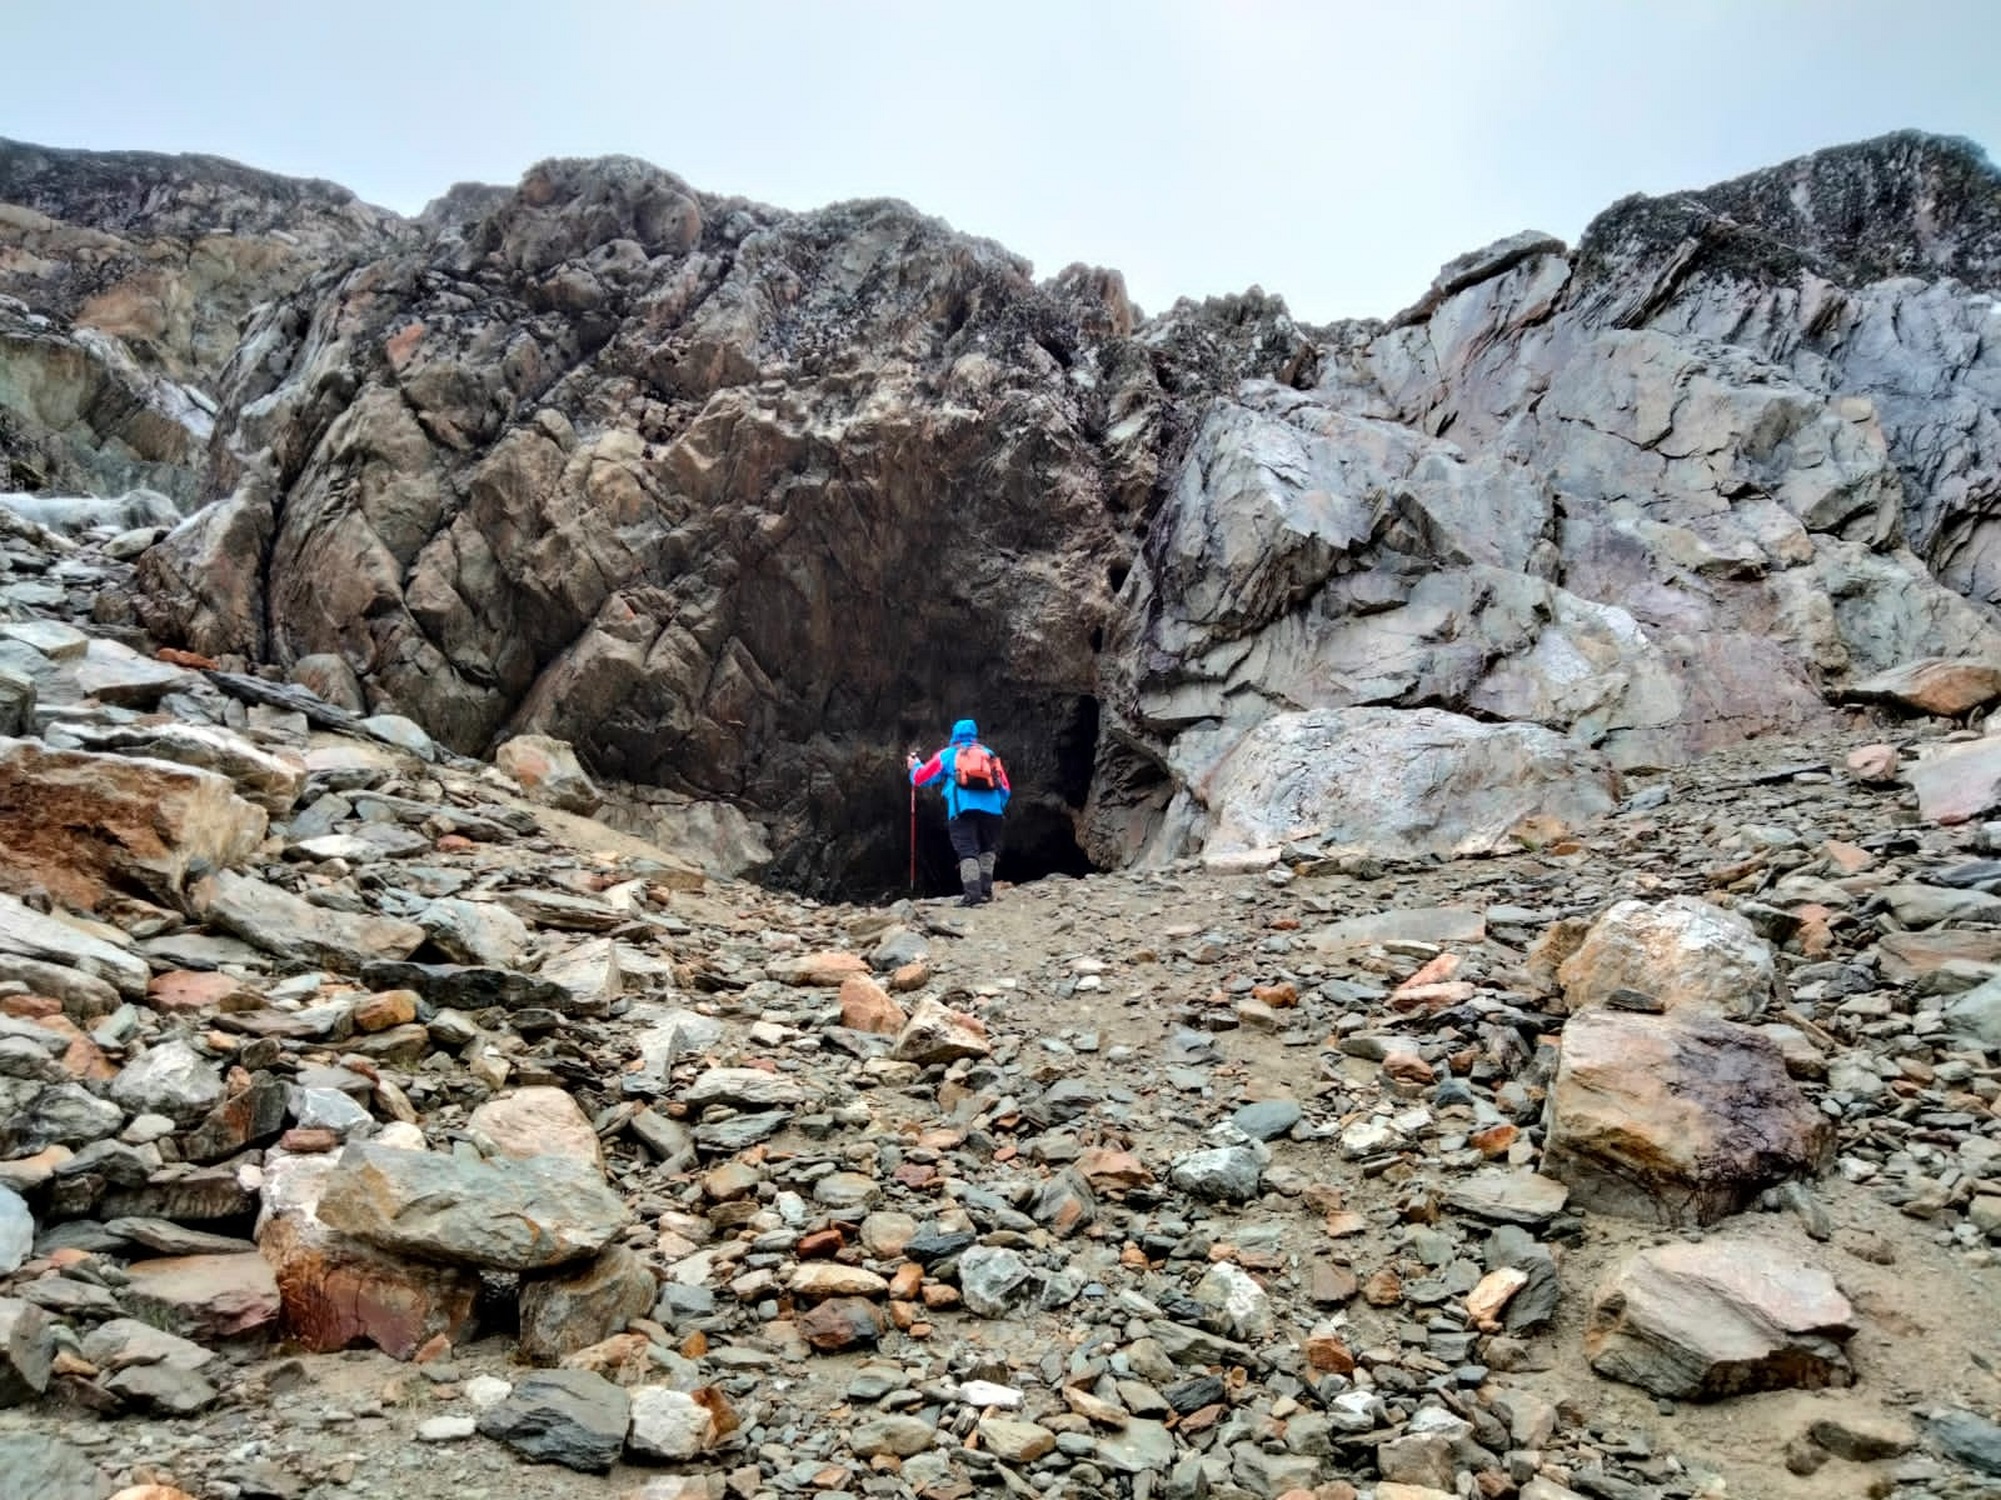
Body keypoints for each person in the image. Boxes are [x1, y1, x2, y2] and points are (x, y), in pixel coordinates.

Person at [907, 718, 1011, 906]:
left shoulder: (948, 754)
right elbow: (1005, 788)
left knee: (967, 850)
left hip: (962, 809)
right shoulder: (989, 754)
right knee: (987, 849)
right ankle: (985, 891)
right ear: (975, 735)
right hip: (993, 811)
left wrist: (914, 766)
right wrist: (997, 807)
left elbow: (922, 778)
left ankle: (972, 895)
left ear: (954, 735)